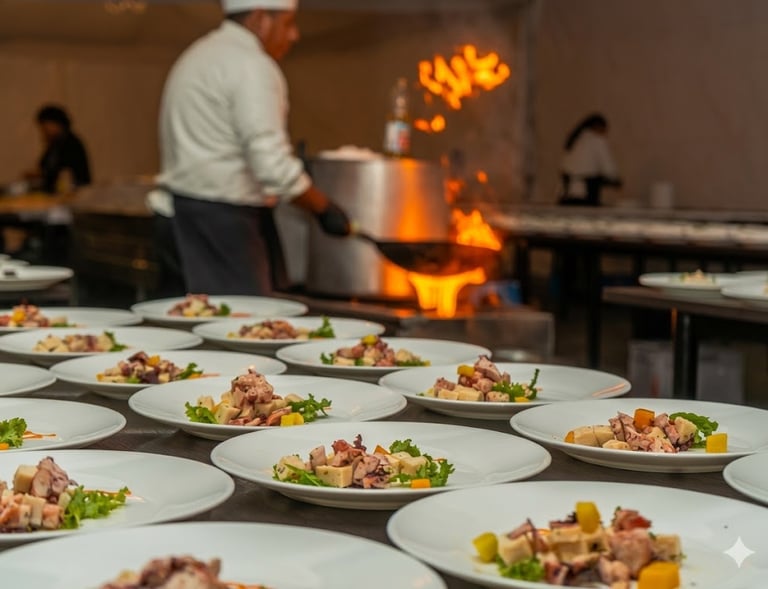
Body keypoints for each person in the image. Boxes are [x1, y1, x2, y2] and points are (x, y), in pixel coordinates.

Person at [147, 0, 351, 297]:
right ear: (259, 19)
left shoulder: (198, 54)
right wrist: (322, 208)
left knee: (193, 321)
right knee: (241, 326)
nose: (294, 35)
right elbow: (271, 163)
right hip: (223, 222)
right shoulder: (252, 65)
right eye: (287, 23)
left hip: (181, 214)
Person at [558, 113, 621, 206]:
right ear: (598, 127)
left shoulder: (575, 140)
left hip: (565, 196)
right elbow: (609, 169)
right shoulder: (597, 140)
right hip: (584, 197)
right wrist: (616, 179)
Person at [27, 105, 91, 194]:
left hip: (73, 195)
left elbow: (63, 172)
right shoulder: (54, 144)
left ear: (56, 124)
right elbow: (43, 166)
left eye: (45, 127)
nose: (43, 131)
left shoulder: (71, 143)